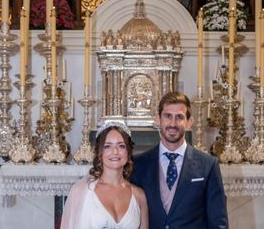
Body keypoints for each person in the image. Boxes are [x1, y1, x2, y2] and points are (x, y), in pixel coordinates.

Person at [131, 92, 228, 229]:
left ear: (189, 122)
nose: (173, 123)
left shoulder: (208, 165)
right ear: (158, 119)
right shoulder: (139, 164)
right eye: (167, 116)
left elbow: (218, 223)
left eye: (179, 117)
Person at [61, 121, 149, 228]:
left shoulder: (139, 195)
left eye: (121, 146)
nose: (115, 151)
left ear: (128, 151)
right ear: (99, 152)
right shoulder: (80, 191)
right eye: (107, 146)